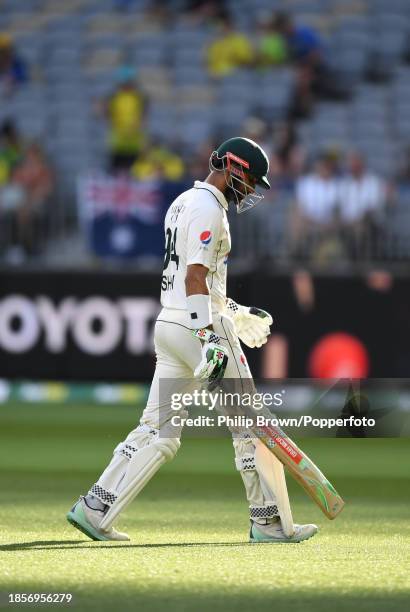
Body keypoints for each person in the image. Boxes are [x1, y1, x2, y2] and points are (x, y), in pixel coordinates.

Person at [66, 137, 318, 544]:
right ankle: (270, 523)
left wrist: (234, 311)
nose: (252, 190)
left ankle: (96, 508)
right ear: (234, 170)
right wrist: (210, 335)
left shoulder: (184, 201)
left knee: (157, 432)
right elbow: (195, 276)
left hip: (169, 323)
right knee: (250, 426)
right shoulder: (208, 209)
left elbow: (199, 277)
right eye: (251, 181)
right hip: (198, 328)